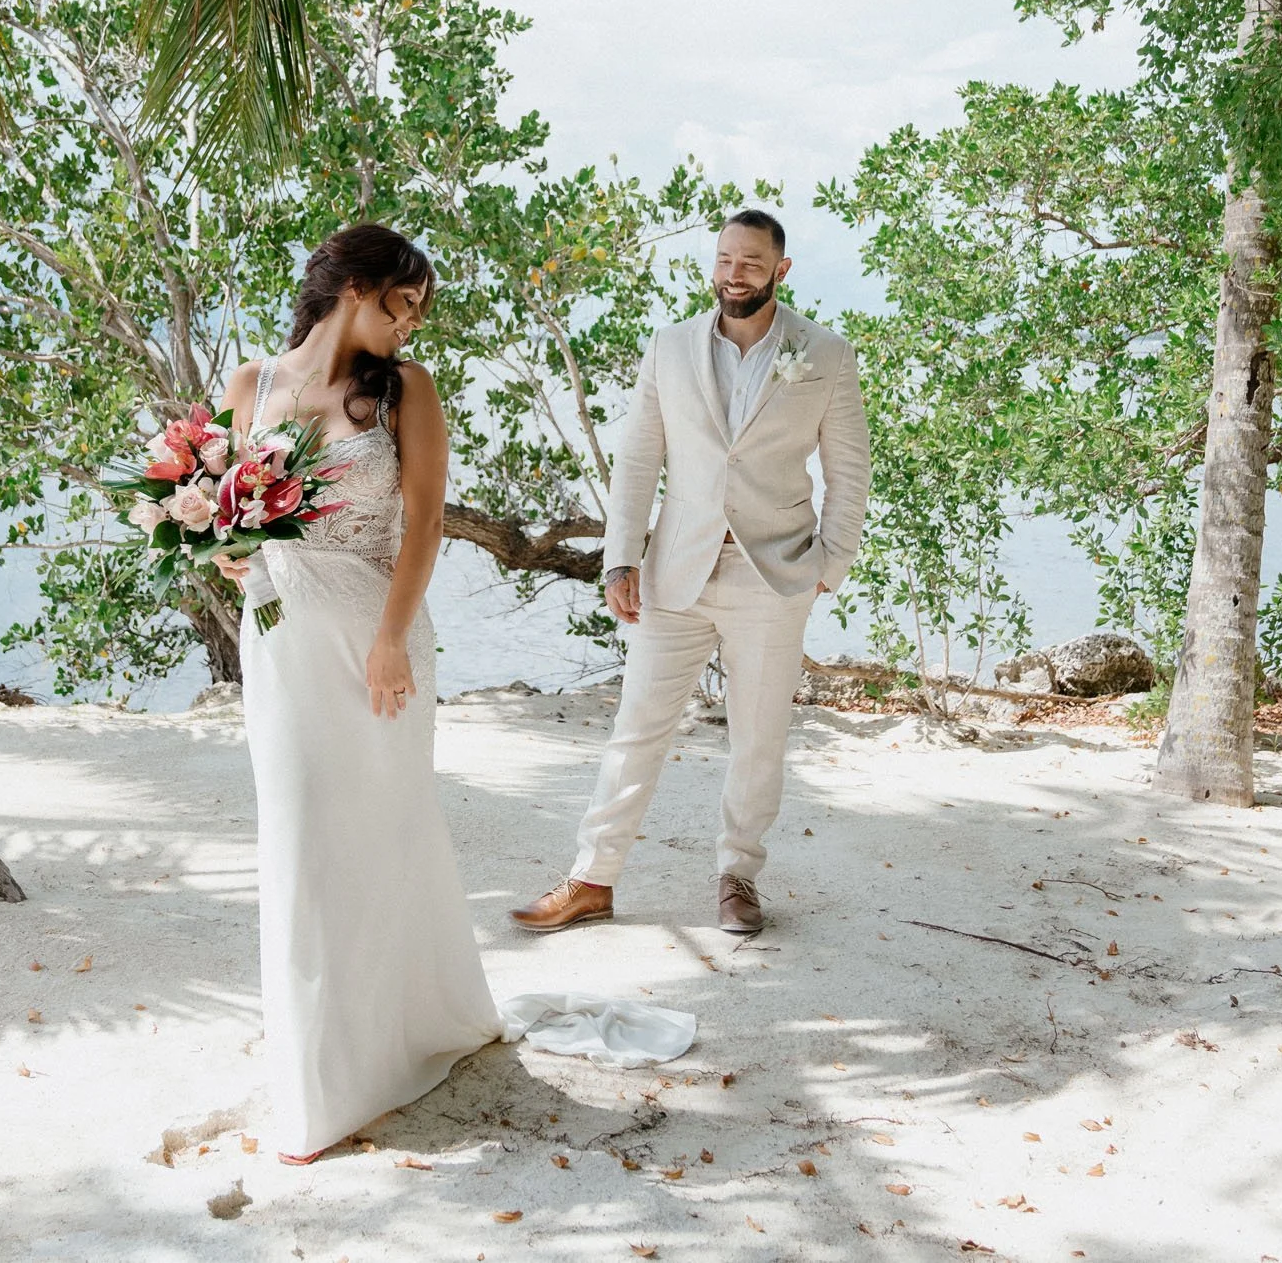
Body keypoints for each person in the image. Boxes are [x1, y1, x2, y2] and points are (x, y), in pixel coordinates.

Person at [215, 223, 501, 1165]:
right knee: (300, 839)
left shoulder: (406, 392)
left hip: (378, 639)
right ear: (352, 287)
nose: (410, 325)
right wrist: (217, 544)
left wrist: (389, 639)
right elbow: (232, 522)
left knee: (387, 831)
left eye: (420, 310)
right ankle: (318, 1081)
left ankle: (407, 1028)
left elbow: (425, 523)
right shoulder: (252, 386)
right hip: (283, 640)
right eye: (402, 302)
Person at [509, 208, 871, 938]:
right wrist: (620, 557)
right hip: (676, 571)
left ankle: (738, 876)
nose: (734, 273)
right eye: (725, 259)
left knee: (758, 737)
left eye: (751, 262)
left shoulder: (824, 353)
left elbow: (849, 468)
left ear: (781, 269)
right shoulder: (669, 347)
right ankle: (591, 877)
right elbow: (639, 459)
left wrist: (830, 563)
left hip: (774, 576)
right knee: (637, 725)